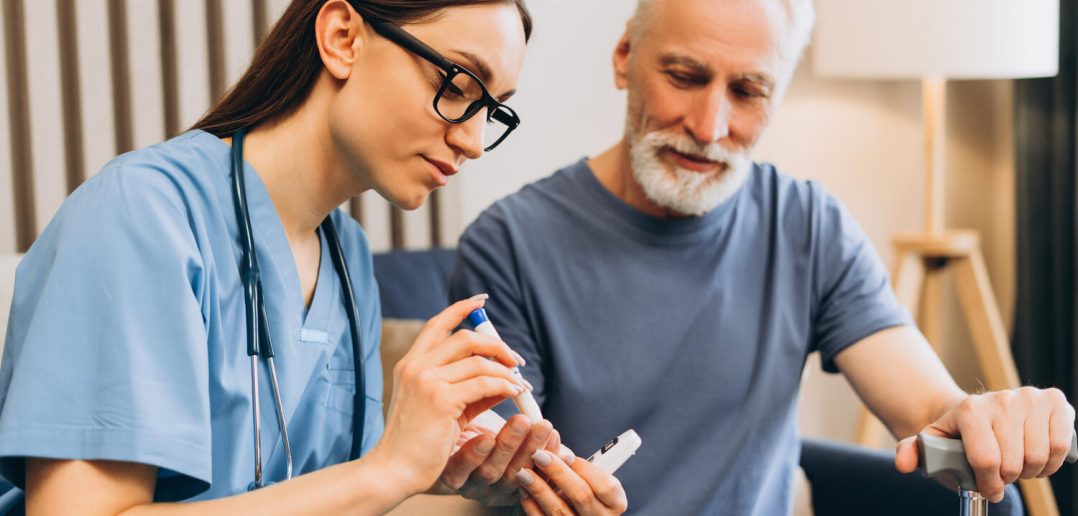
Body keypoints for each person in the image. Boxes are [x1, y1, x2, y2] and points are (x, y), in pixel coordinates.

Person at [448, 0, 1078, 514]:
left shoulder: (809, 225)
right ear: (624, 57)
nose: (709, 126)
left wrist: (983, 420)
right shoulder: (506, 245)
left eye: (748, 91)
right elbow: (499, 471)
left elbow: (928, 411)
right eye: (684, 76)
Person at [0, 0, 627, 514]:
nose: (472, 141)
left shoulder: (347, 259)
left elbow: (337, 496)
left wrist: (492, 495)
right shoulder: (141, 216)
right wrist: (389, 469)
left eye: (492, 111)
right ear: (343, 38)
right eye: (458, 85)